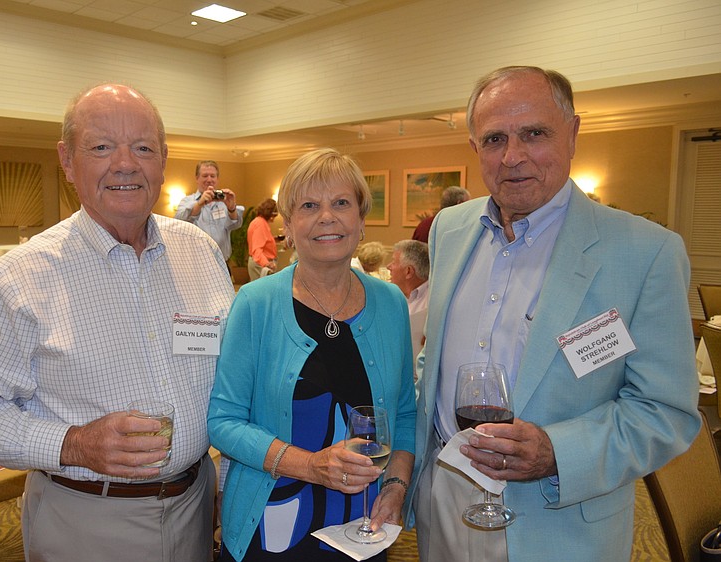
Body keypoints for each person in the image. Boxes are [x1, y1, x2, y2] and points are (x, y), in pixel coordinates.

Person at [406, 66, 700, 562]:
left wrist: (556, 452)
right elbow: (433, 357)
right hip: (445, 500)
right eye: (494, 138)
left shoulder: (645, 252)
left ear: (573, 133)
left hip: (558, 522)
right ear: (476, 147)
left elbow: (664, 412)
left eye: (534, 133)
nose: (513, 156)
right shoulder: (450, 229)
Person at [0, 84, 235, 562]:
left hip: (197, 505)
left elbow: (231, 374)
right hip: (86, 520)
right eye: (100, 147)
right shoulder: (17, 279)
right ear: (67, 161)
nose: (125, 163)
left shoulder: (199, 251)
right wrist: (73, 444)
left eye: (143, 147)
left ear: (163, 160)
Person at [208, 148, 416, 562]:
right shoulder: (256, 302)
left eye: (341, 203)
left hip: (363, 529)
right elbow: (223, 422)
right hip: (270, 530)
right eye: (309, 205)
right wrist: (310, 465)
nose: (327, 217)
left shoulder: (391, 302)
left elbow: (406, 414)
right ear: (287, 223)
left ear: (361, 218)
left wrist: (395, 490)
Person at [175, 160, 244, 261]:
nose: (209, 179)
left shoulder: (224, 201)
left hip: (222, 262)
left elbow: (236, 225)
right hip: (196, 263)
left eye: (212, 176)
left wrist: (231, 208)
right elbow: (178, 221)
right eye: (205, 175)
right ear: (197, 178)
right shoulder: (187, 201)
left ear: (217, 179)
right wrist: (199, 204)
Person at [387, 240, 429, 377]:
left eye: (393, 262)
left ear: (408, 271)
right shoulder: (394, 296)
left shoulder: (432, 303)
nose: (389, 267)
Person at [247, 197, 279, 281]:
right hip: (260, 264)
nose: (273, 218)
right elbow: (257, 249)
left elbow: (261, 241)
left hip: (259, 262)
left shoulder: (258, 222)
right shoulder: (260, 224)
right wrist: (267, 264)